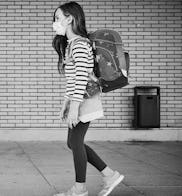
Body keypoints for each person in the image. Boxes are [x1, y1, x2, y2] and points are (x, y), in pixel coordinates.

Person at [51, 2, 124, 196]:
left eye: (58, 18)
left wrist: (74, 107)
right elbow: (73, 79)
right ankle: (109, 175)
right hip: (79, 100)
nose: (55, 23)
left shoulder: (80, 44)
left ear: (69, 19)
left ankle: (80, 188)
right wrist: (66, 104)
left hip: (85, 100)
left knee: (75, 143)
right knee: (73, 143)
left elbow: (82, 77)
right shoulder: (73, 45)